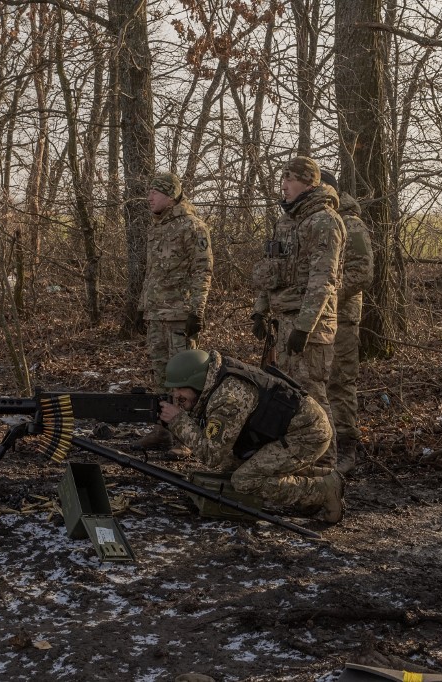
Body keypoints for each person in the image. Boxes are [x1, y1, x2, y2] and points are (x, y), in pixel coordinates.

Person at [159, 349, 345, 523]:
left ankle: (323, 490)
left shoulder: (228, 398)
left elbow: (211, 455)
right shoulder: (216, 380)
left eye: (180, 389)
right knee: (231, 466)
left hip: (308, 434)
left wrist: (178, 421)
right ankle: (320, 475)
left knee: (245, 481)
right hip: (289, 430)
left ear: (197, 382)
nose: (176, 395)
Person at [251, 156, 346, 465]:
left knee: (312, 395)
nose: (284, 185)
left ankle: (327, 464)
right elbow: (270, 269)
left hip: (310, 326)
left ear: (309, 183)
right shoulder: (286, 221)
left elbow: (324, 279)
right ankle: (303, 456)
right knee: (289, 395)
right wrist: (260, 311)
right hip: (283, 320)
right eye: (282, 178)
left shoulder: (325, 220)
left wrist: (304, 327)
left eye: (290, 179)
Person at [132, 172, 213, 451]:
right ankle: (162, 430)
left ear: (171, 195)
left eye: (155, 192)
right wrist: (143, 307)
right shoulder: (156, 227)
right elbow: (152, 273)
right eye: (149, 191)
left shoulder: (193, 226)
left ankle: (185, 436)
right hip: (156, 314)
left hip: (180, 313)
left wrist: (196, 311)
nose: (149, 197)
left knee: (184, 379)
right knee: (160, 375)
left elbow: (202, 272)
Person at [320, 170, 374, 474]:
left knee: (340, 383)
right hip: (316, 319)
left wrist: (325, 297)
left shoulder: (351, 224)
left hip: (341, 318)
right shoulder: (318, 222)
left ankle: (346, 447)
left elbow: (362, 272)